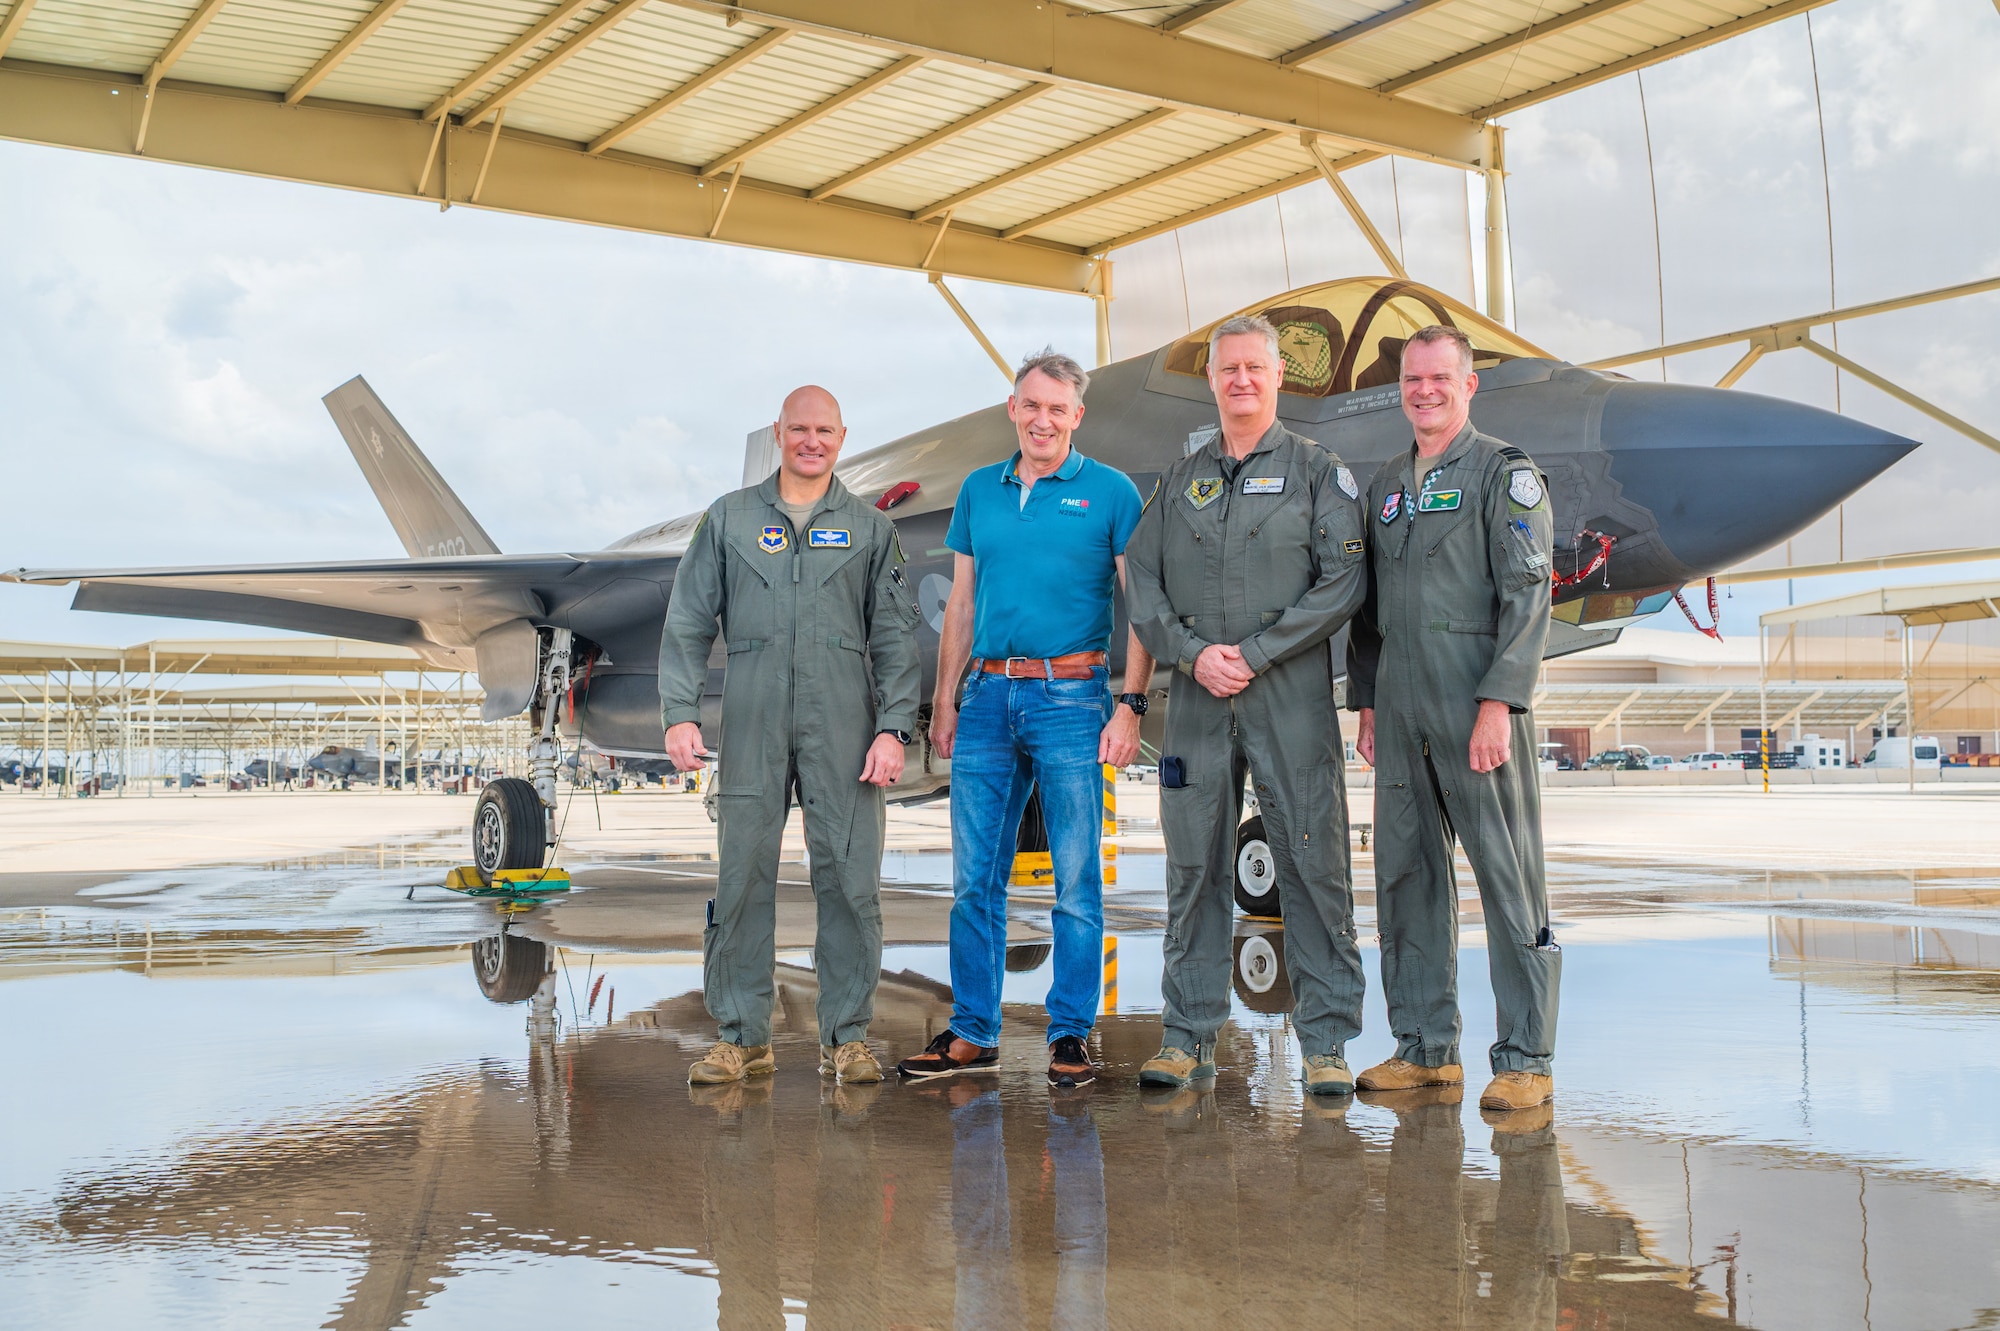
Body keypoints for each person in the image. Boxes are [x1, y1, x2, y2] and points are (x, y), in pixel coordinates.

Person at [1123, 313, 1370, 1096]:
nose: (1240, 380)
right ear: (1213, 380)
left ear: (1276, 377)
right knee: (1193, 865)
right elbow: (1143, 575)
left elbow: (1344, 581)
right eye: (1227, 369)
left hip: (1287, 694)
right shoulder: (1183, 478)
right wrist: (1194, 653)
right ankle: (1186, 1033)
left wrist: (1255, 655)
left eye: (1252, 369)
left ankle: (1326, 1042)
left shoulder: (1315, 472)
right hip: (1198, 698)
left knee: (1312, 860)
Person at [896, 349, 1149, 1089]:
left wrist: (1129, 702)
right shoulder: (980, 490)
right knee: (975, 879)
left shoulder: (1110, 492)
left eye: (1057, 408)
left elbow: (1144, 610)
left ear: (1077, 416)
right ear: (1014, 409)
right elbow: (962, 604)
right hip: (987, 698)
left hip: (1072, 698)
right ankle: (974, 1029)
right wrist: (945, 699)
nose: (1043, 419)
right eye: (1030, 405)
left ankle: (1070, 1031)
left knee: (1076, 879)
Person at [659, 384, 922, 1087]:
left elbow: (894, 638)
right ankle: (741, 1037)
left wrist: (895, 727)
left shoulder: (870, 529)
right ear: (779, 431)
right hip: (753, 718)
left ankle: (848, 1037)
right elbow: (687, 620)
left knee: (849, 880)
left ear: (843, 435)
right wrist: (679, 712)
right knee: (741, 874)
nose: (812, 440)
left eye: (825, 430)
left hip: (844, 724)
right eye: (799, 428)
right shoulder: (730, 520)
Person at [1346, 324, 1560, 1113]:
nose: (1425, 391)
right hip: (1399, 705)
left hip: (1477, 700)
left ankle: (1527, 1056)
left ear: (1469, 386)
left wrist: (1501, 700)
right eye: (1413, 379)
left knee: (1507, 878)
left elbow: (1527, 593)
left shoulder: (1504, 475)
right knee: (1405, 879)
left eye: (1441, 378)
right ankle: (1425, 1048)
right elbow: (1366, 612)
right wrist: (1365, 700)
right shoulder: (1385, 488)